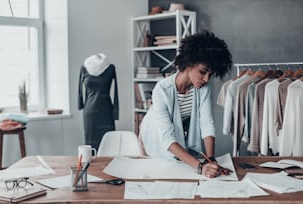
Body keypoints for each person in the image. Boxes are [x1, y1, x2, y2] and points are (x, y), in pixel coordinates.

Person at [139, 31, 233, 178]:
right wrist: (201, 167)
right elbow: (167, 139)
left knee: (180, 170)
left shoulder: (203, 87)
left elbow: (206, 123)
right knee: (159, 174)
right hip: (154, 134)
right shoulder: (162, 90)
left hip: (174, 135)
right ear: (189, 63)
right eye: (202, 72)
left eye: (211, 74)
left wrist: (211, 160)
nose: (206, 79)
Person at [78, 53, 119, 150]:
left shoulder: (110, 68)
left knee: (109, 144)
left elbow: (116, 92)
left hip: (106, 111)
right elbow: (80, 90)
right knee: (91, 146)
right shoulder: (84, 68)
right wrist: (80, 103)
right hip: (90, 113)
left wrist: (116, 111)